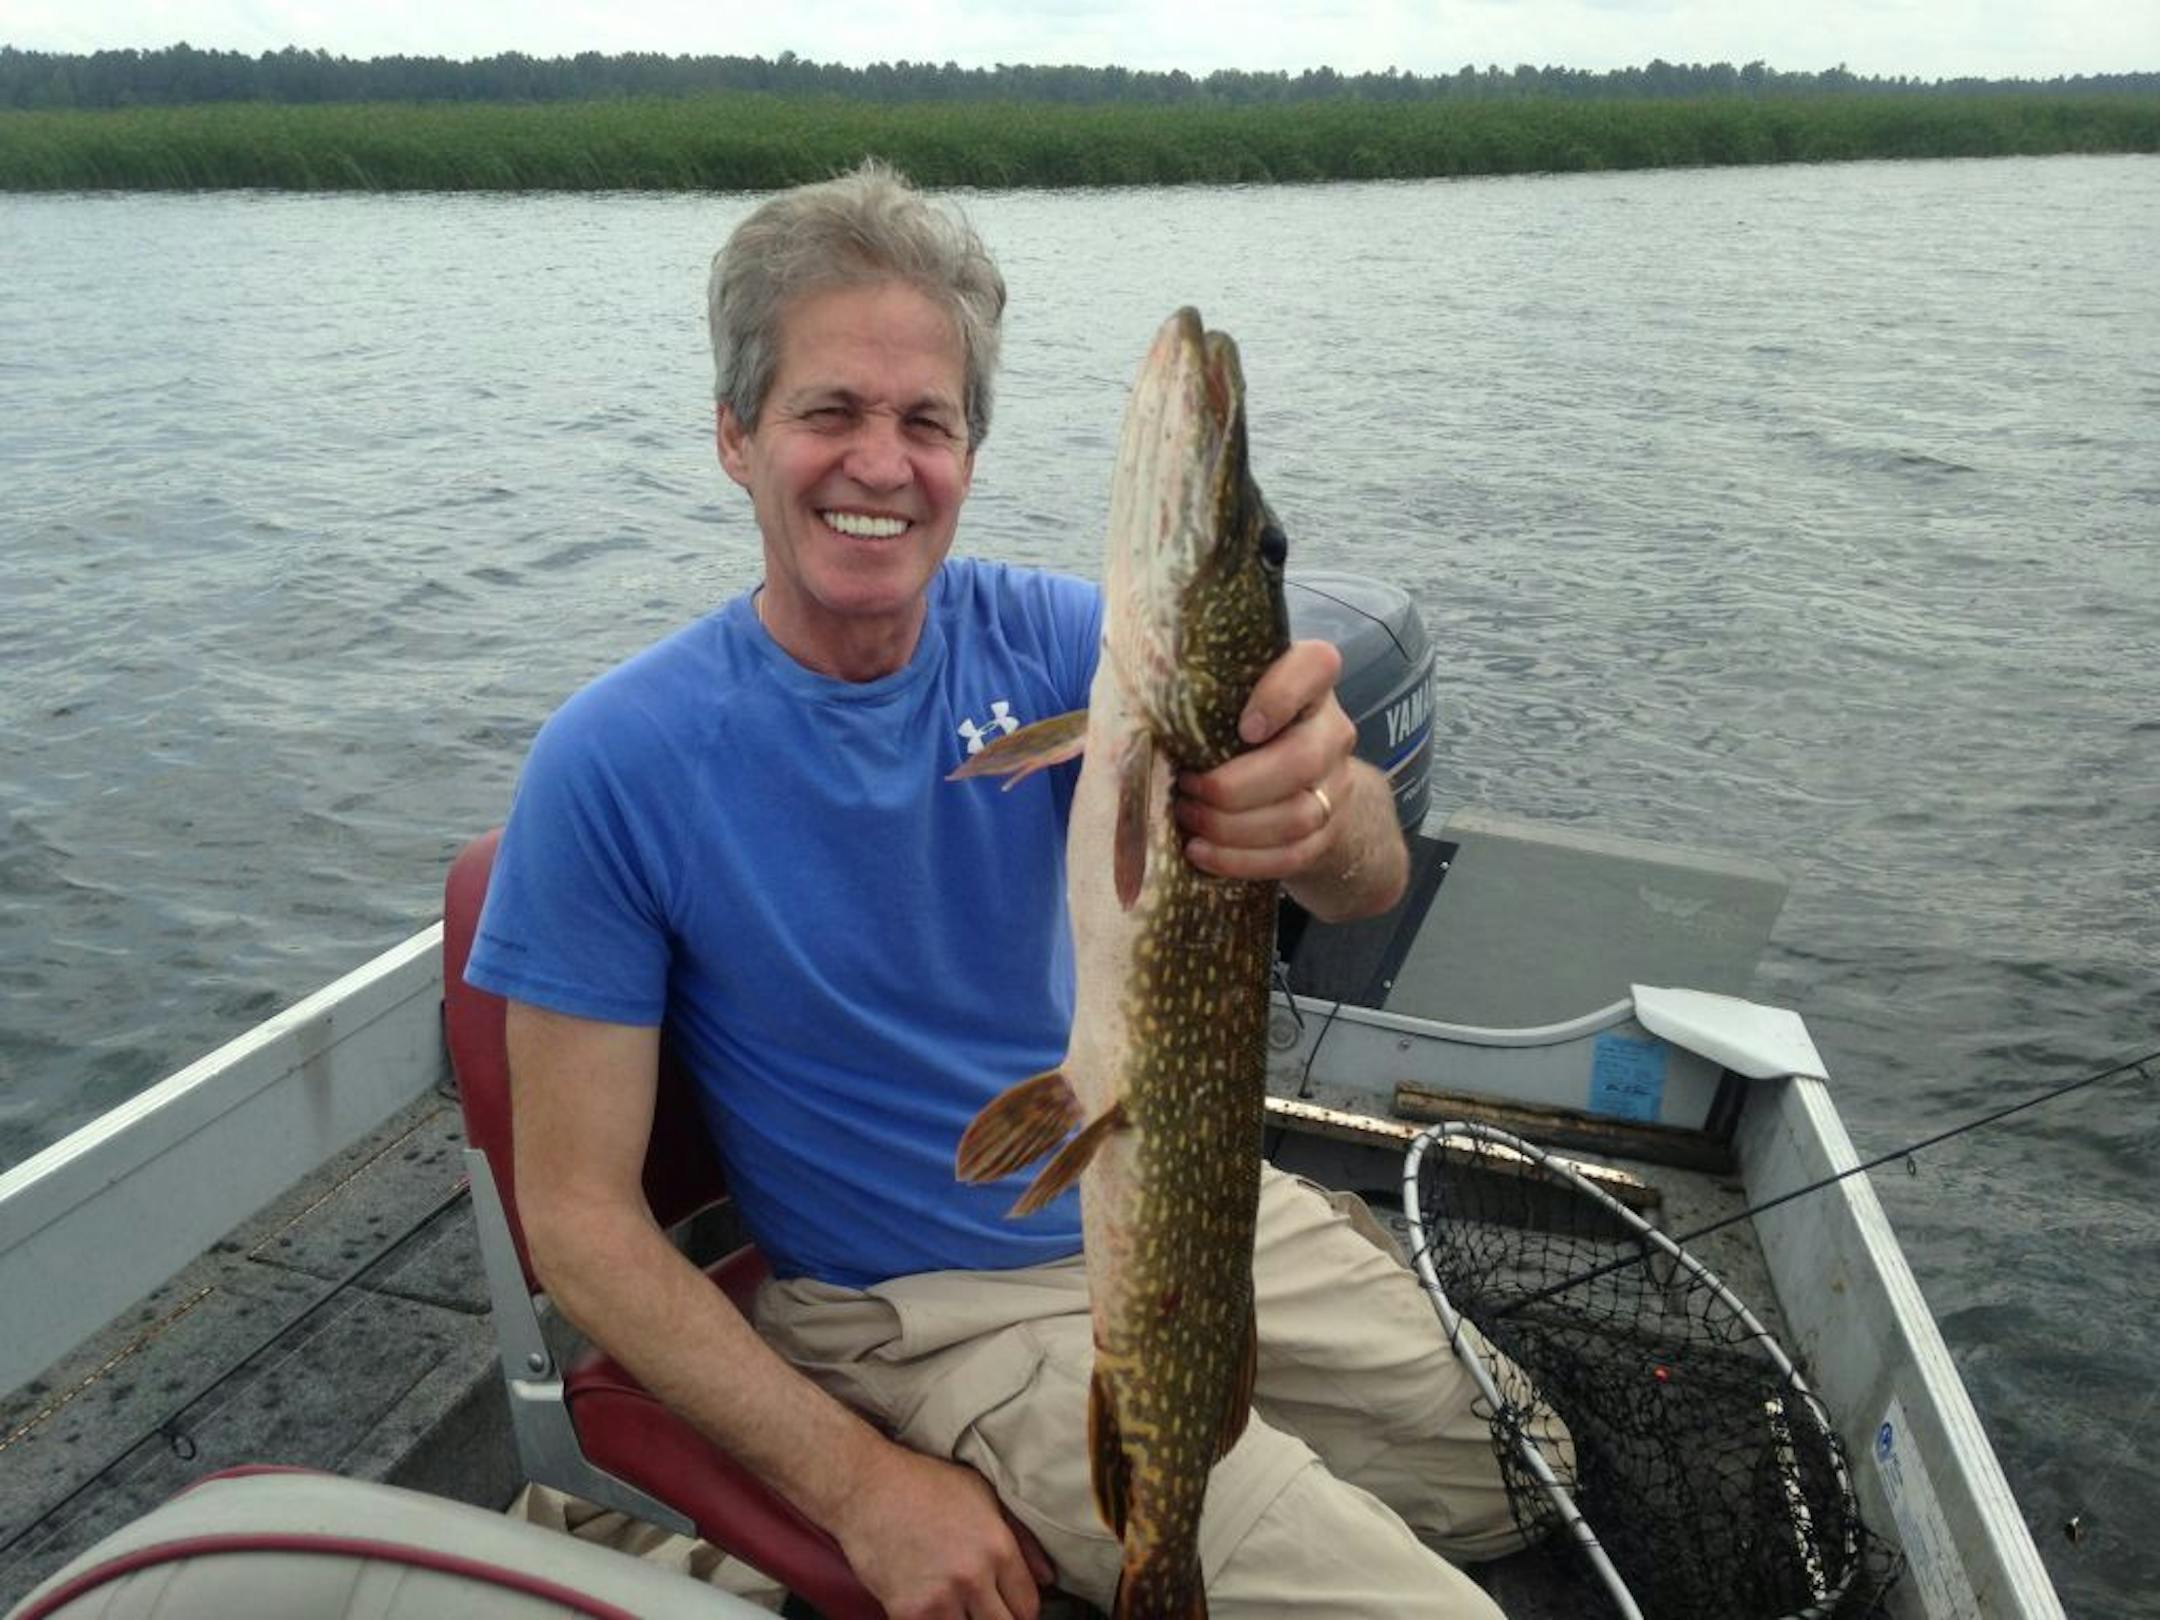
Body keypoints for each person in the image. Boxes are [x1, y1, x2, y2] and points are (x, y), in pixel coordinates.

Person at [466, 161, 1533, 1620]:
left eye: (927, 421)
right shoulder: (617, 763)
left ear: (969, 449)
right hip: (919, 1306)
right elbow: (578, 1220)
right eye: (829, 412)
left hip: (1162, 1203)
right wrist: (862, 1484)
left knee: (1527, 1466)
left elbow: (1367, 883)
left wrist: (1321, 807)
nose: (881, 464)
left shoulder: (1079, 652)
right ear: (734, 436)